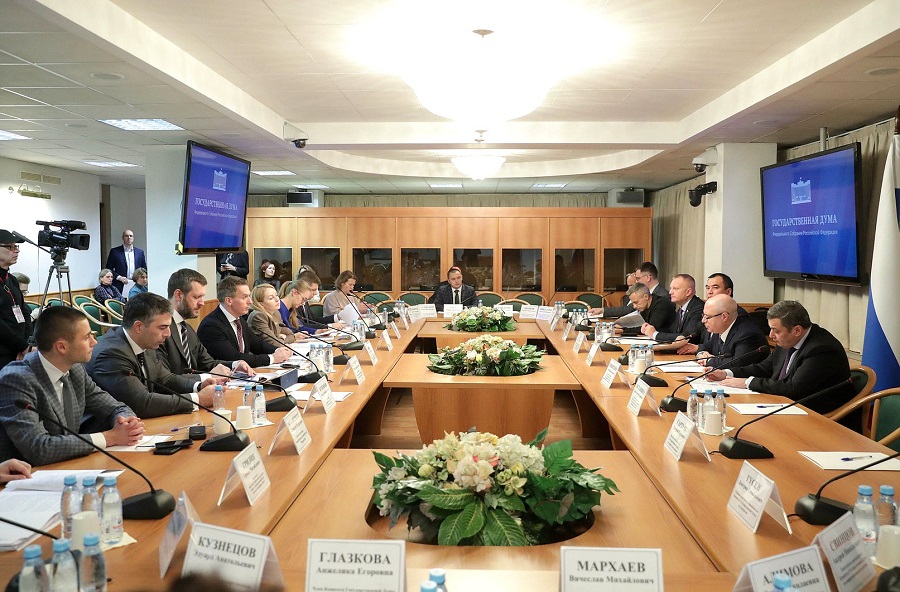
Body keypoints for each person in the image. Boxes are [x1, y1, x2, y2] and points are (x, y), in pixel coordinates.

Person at [0, 306, 144, 465]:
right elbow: (38, 448)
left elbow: (115, 407)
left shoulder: (75, 370)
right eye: (87, 337)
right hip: (28, 474)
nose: (94, 342)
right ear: (62, 347)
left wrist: (127, 423)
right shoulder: (16, 380)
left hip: (68, 465)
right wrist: (109, 437)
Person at [705, 300, 855, 415]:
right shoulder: (788, 340)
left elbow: (793, 389)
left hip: (819, 416)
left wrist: (747, 382)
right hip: (788, 408)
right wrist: (727, 373)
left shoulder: (821, 349)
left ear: (797, 330)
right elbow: (765, 368)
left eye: (775, 330)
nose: (771, 335)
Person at [87, 293, 219, 418]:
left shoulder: (145, 340)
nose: (168, 334)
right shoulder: (111, 354)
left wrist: (198, 386)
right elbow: (141, 403)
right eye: (162, 328)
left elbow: (165, 379)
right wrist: (198, 399)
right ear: (138, 327)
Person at [157, 269, 254, 378]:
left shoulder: (187, 329)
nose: (202, 303)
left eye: (202, 297)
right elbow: (165, 378)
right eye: (196, 297)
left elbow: (207, 363)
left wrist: (235, 364)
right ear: (178, 295)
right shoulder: (160, 330)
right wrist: (207, 377)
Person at [197, 276, 293, 368]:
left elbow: (256, 343)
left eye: (249, 296)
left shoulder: (239, 319)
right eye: (244, 297)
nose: (250, 301)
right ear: (229, 301)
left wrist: (278, 350)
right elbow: (234, 358)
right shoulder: (211, 326)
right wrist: (272, 358)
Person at [689, 295, 768, 368]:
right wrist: (702, 354)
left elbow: (736, 363)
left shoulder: (747, 334)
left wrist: (709, 361)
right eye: (703, 315)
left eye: (708, 317)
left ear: (724, 316)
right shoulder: (719, 328)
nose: (703, 321)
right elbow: (706, 346)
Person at [0, 230, 32, 370]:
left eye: (16, 246)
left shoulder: (12, 279)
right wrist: (22, 346)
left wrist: (27, 343)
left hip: (20, 349)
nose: (16, 251)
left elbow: (25, 312)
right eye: (10, 247)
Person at [641, 274, 704, 344]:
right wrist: (651, 329)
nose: (670, 292)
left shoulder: (698, 308)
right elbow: (672, 331)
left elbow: (686, 337)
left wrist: (655, 334)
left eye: (675, 289)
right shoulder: (682, 308)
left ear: (688, 292)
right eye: (671, 288)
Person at [591, 262, 667, 318]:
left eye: (638, 278)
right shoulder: (643, 292)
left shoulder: (663, 295)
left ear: (648, 277)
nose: (636, 282)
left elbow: (631, 310)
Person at [248, 284, 296, 348]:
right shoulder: (258, 316)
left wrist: (280, 339)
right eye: (271, 298)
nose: (277, 299)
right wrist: (282, 338)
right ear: (261, 303)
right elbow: (274, 343)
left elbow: (291, 336)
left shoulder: (276, 313)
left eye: (276, 295)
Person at [105, 229, 147, 294]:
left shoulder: (140, 252)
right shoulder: (115, 252)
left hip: (137, 284)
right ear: (123, 238)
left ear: (133, 238)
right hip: (120, 284)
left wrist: (142, 279)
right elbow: (108, 268)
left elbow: (144, 269)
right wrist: (119, 277)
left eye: (131, 236)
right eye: (126, 236)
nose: (129, 238)